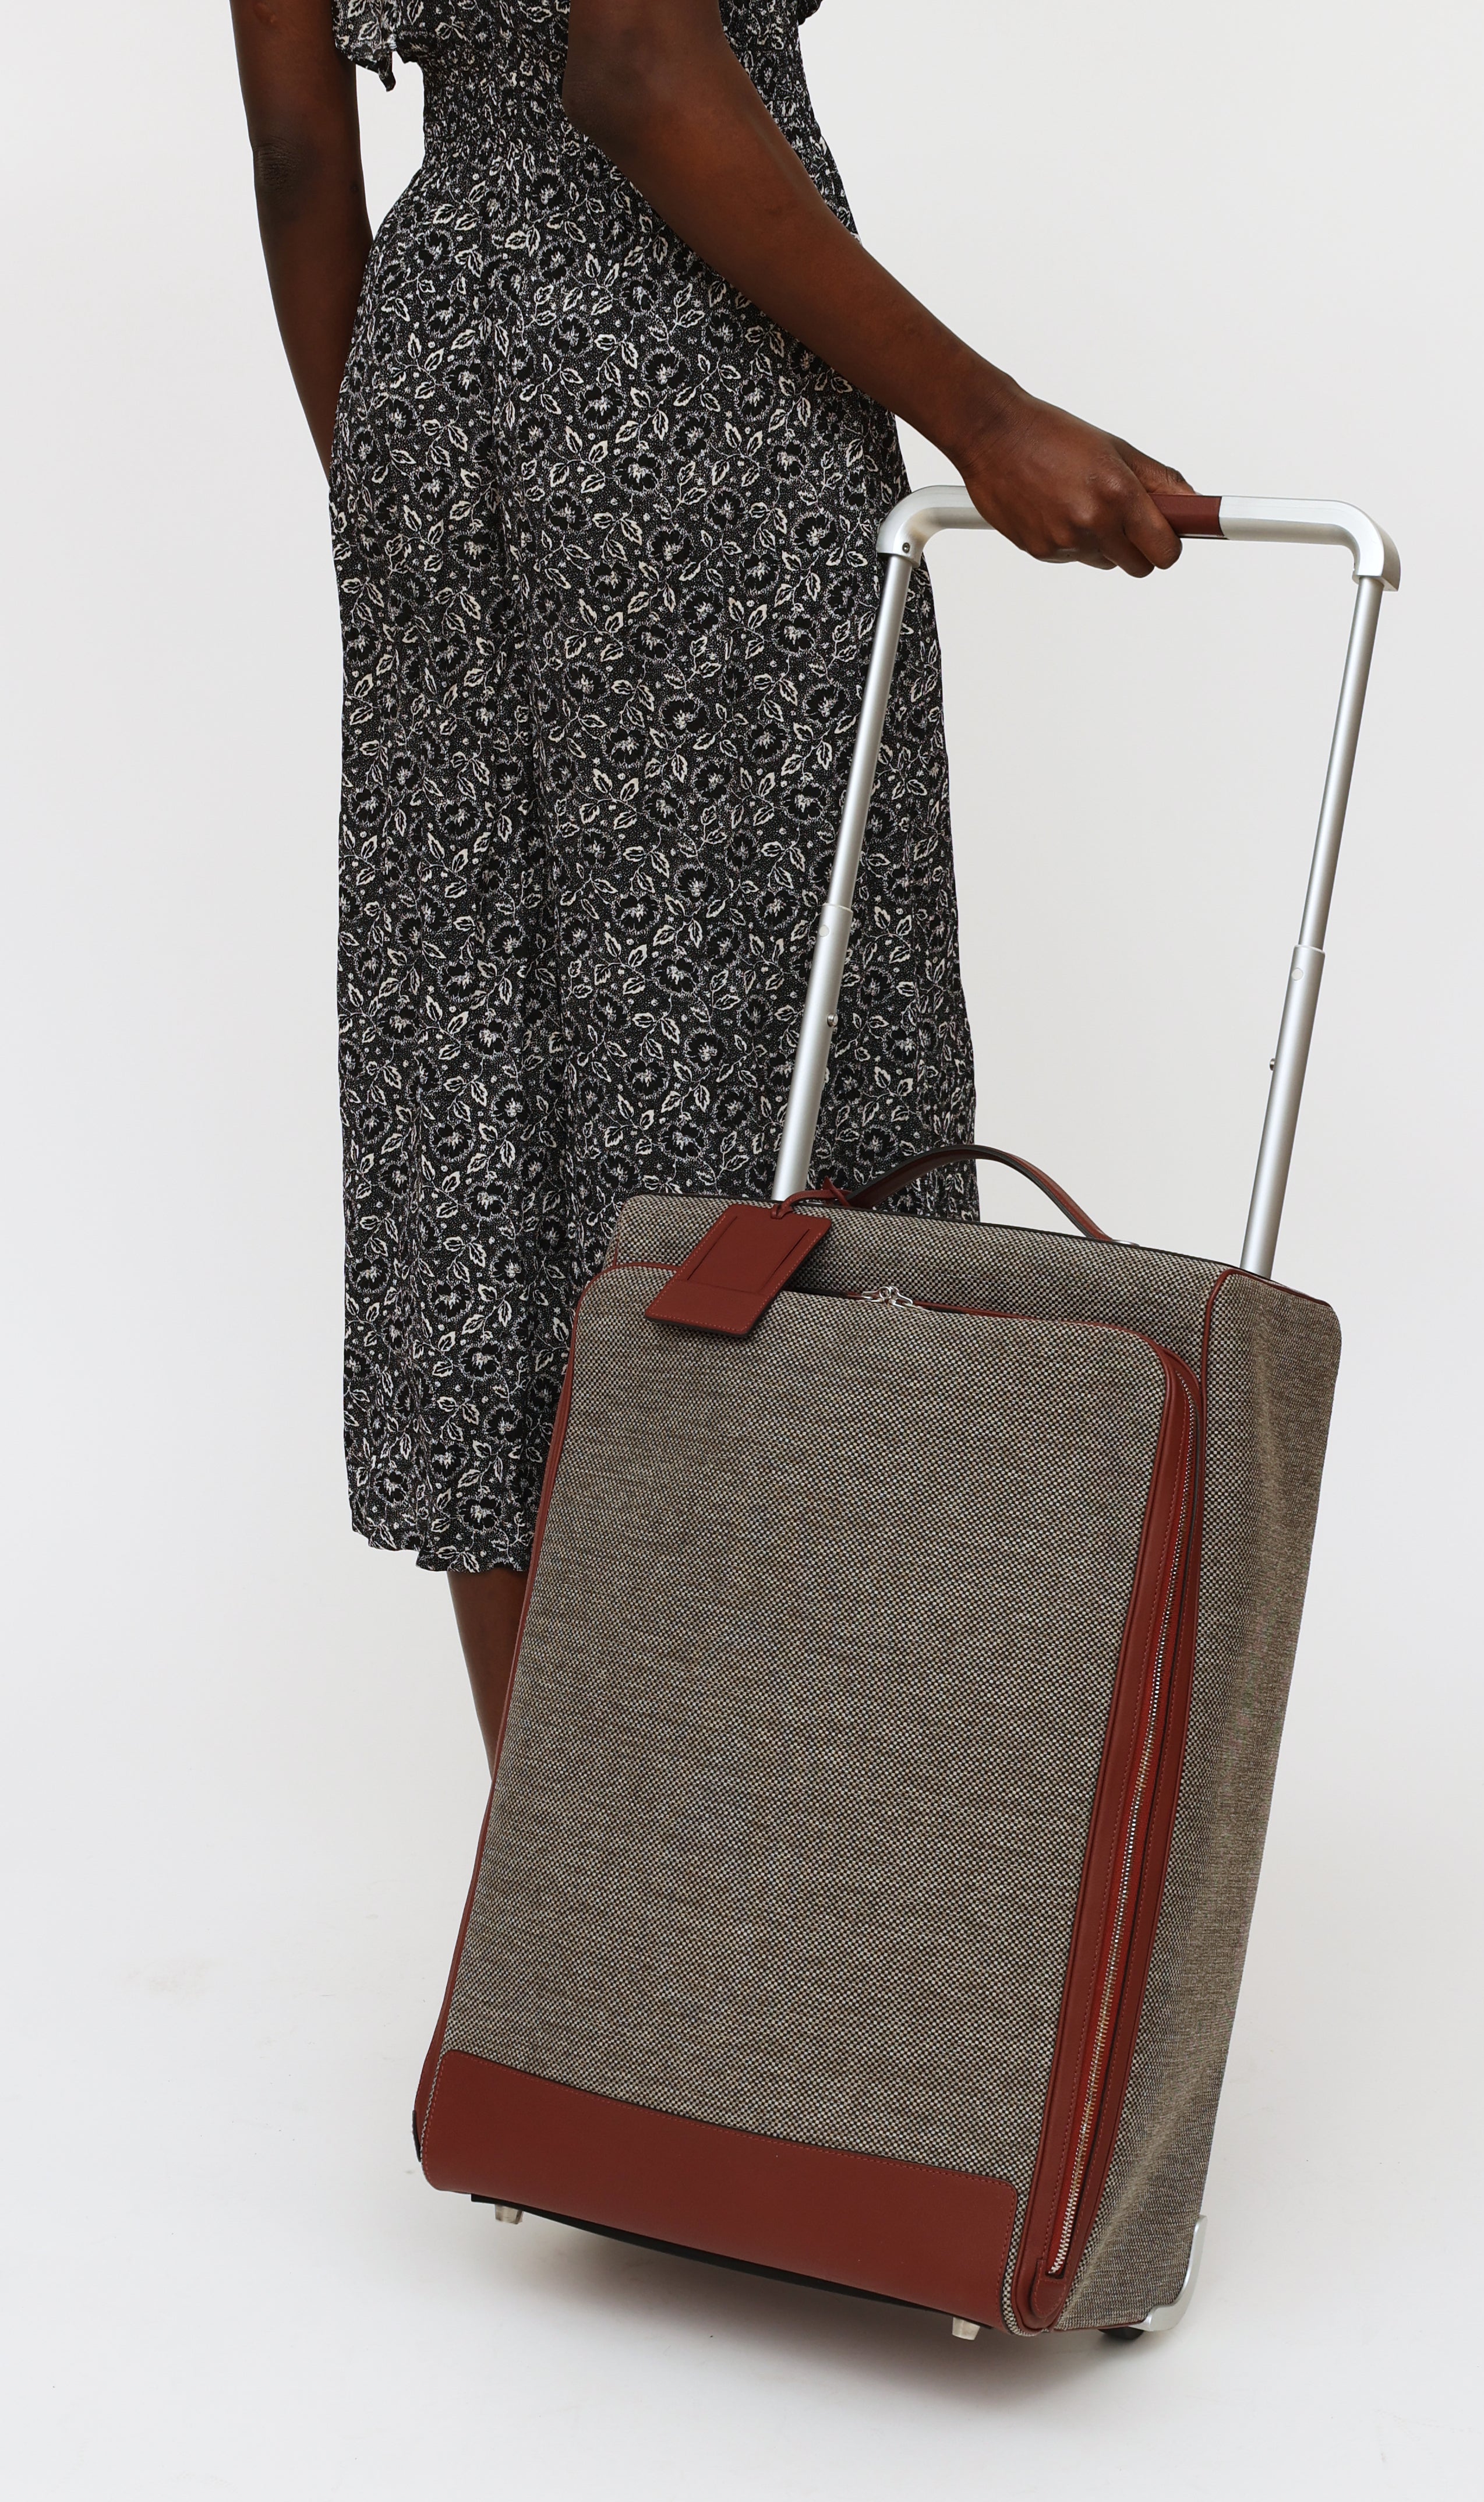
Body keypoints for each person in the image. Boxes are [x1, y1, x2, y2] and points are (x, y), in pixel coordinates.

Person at [229, 0, 1190, 1760]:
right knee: (770, 1078)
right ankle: (784, 1848)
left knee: (486, 1101)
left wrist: (398, 492)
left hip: (431, 385)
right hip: (686, 377)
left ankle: (568, 1869)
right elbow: (640, 65)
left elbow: (299, 157)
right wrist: (989, 420)